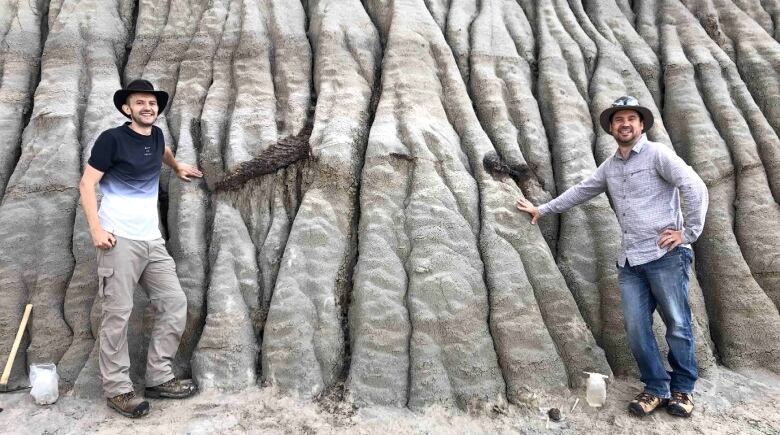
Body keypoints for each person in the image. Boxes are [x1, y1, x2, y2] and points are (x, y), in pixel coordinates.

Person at [516, 96, 708, 418]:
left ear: (641, 124)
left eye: (631, 118)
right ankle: (656, 389)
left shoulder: (658, 154)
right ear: (611, 128)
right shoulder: (611, 167)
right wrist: (543, 209)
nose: (625, 124)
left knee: (677, 323)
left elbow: (694, 186)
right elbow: (581, 190)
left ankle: (683, 391)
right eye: (619, 120)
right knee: (636, 329)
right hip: (631, 262)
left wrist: (687, 233)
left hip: (665, 256)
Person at [79, 79, 203, 418]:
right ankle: (118, 391)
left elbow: (162, 152)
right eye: (139, 103)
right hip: (118, 239)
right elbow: (87, 183)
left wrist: (176, 166)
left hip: (152, 239)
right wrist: (96, 229)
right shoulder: (112, 140)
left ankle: (158, 376)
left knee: (174, 302)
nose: (147, 107)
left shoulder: (159, 135)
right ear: (126, 108)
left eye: (151, 103)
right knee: (117, 314)